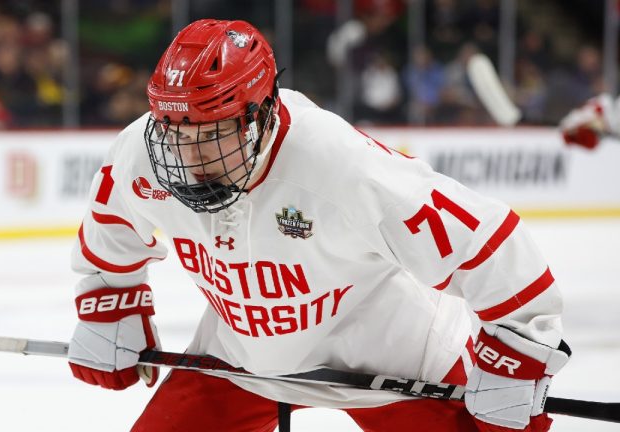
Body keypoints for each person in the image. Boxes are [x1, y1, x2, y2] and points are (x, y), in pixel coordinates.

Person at [67, 19, 570, 431]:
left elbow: (486, 239)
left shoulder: (340, 165)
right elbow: (111, 223)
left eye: (210, 135)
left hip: (387, 362)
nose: (188, 159)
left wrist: (518, 350)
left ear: (259, 116)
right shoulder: (142, 155)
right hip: (242, 360)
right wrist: (110, 303)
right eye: (174, 132)